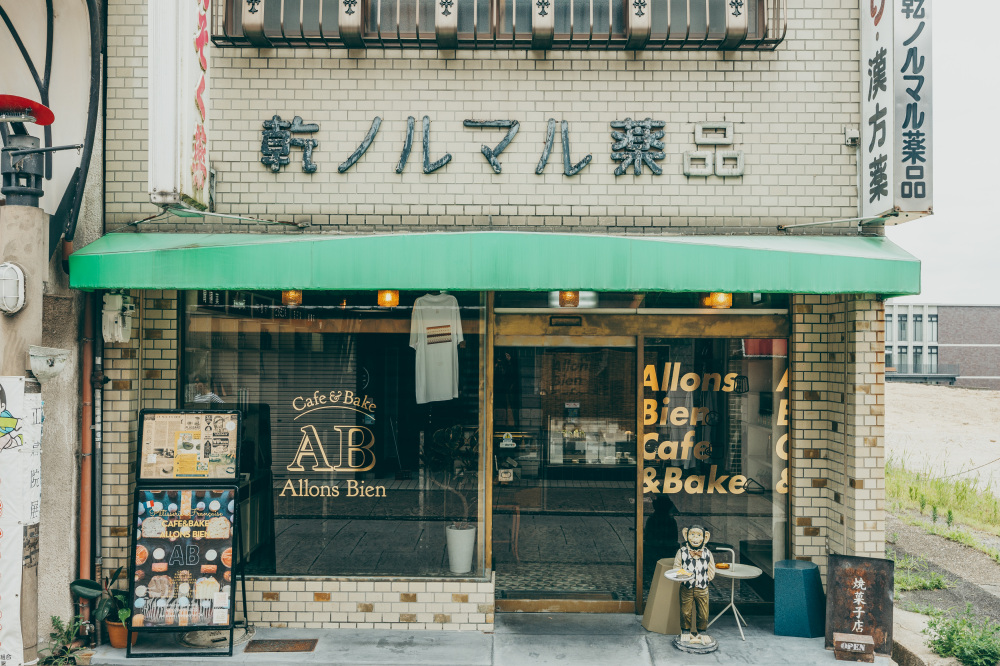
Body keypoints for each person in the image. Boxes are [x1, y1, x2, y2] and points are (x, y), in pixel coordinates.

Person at [673, 524, 716, 645]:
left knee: (703, 612)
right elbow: (677, 567)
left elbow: (711, 570)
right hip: (686, 587)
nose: (695, 538)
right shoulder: (681, 552)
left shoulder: (707, 553)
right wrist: (681, 577)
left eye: (698, 535)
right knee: (685, 611)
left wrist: (706, 579)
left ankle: (702, 631)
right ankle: (685, 631)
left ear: (705, 537)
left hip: (702, 588)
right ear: (686, 535)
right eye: (692, 535)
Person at [0, 382, 23, 451]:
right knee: (13, 443)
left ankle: (20, 439)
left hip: (4, 438)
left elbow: (16, 423)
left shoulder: (3, 418)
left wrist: (17, 423)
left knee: (12, 442)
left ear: (2, 406)